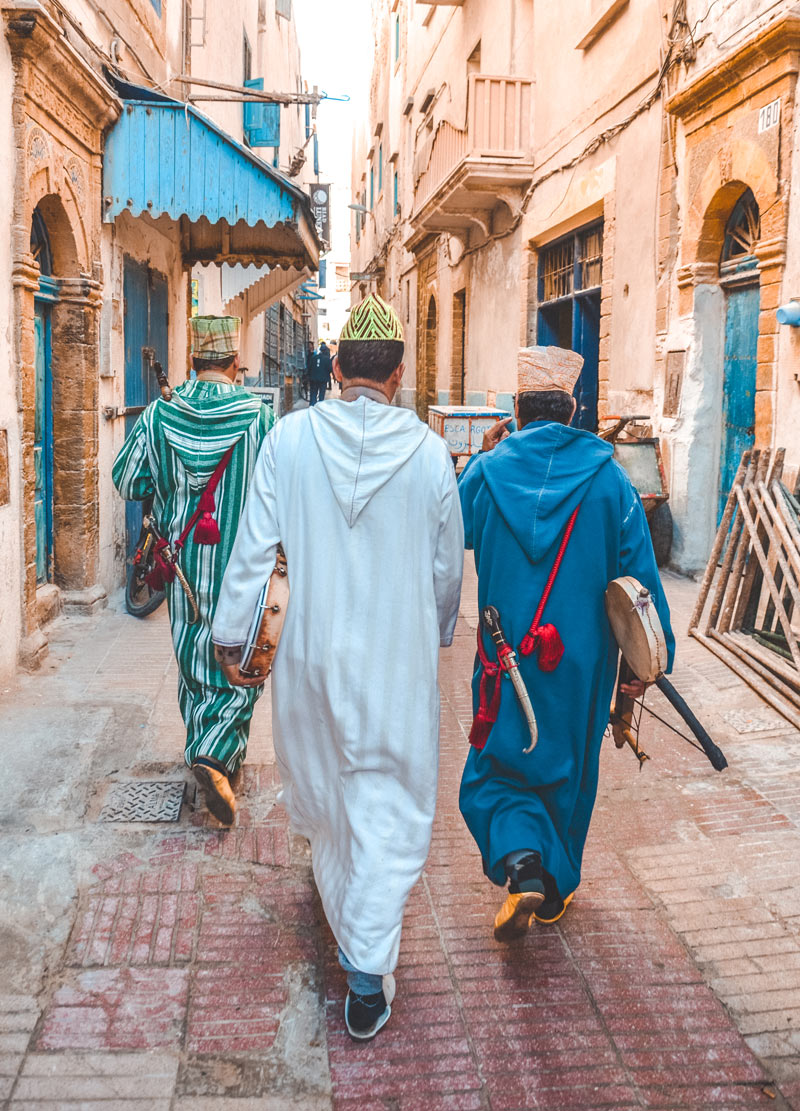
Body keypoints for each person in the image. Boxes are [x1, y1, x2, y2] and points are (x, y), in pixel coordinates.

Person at [211, 293, 463, 1041]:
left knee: (326, 794)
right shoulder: (427, 455)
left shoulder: (288, 442)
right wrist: (439, 631)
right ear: (396, 374)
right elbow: (447, 573)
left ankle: (360, 951)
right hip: (396, 666)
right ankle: (365, 969)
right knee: (385, 809)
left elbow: (254, 551)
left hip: (310, 664)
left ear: (341, 366)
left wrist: (231, 636)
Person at [457, 345, 674, 942]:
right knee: (568, 768)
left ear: (518, 409)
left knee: (499, 763)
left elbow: (455, 537)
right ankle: (551, 888)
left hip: (504, 657)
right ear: (575, 408)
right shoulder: (612, 484)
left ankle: (521, 861)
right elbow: (641, 586)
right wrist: (651, 662)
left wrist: (487, 454)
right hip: (581, 662)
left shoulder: (486, 474)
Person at [113, 316, 273, 827]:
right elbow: (281, 490)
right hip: (241, 564)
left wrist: (168, 486)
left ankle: (208, 754)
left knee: (194, 655)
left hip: (181, 564)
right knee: (241, 660)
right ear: (233, 363)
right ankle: (218, 756)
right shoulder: (257, 416)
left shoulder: (161, 415)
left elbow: (127, 479)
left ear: (193, 362)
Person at [307, 340, 333, 405]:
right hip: (323, 380)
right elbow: (330, 369)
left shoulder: (314, 357)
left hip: (313, 379)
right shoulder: (327, 359)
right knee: (321, 396)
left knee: (313, 395)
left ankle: (312, 408)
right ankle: (320, 408)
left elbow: (309, 367)